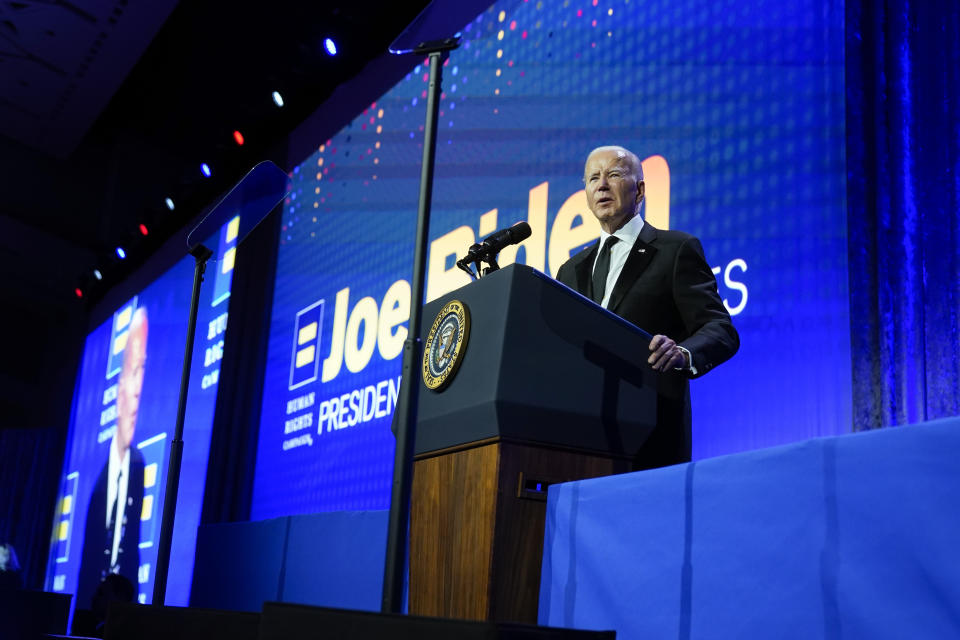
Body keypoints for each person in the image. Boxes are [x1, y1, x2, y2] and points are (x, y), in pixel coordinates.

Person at [557, 146, 739, 469]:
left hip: (651, 442)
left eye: (613, 174)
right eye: (593, 178)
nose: (601, 185)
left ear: (639, 189)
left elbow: (721, 329)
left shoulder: (675, 251)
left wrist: (683, 353)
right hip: (580, 446)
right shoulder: (570, 270)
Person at [76, 308, 148, 610]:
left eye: (142, 372)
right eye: (133, 372)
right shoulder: (97, 480)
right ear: (119, 388)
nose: (136, 394)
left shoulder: (139, 465)